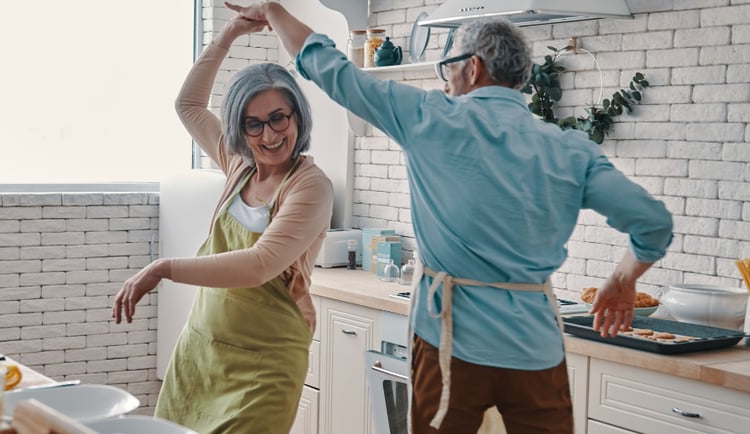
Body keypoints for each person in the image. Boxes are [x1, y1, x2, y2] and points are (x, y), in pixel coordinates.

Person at [226, 3, 674, 433]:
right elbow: (653, 223)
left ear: (473, 67)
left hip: (447, 345)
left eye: (448, 66)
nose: (444, 81)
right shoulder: (569, 149)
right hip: (535, 350)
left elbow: (330, 68)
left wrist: (272, 11)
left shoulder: (428, 117)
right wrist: (623, 279)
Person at [111, 13, 333, 434]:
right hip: (203, 349)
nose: (268, 135)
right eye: (253, 123)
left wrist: (163, 268)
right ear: (239, 128)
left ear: (297, 117)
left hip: (266, 364)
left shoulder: (310, 187)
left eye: (278, 117)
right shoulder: (239, 166)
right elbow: (188, 105)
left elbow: (258, 264)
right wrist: (228, 34)